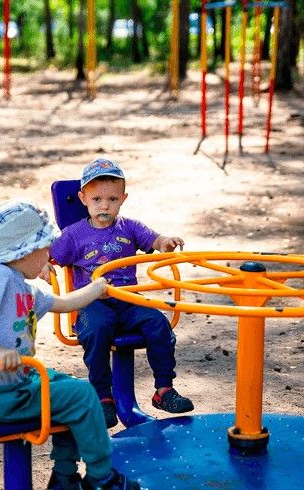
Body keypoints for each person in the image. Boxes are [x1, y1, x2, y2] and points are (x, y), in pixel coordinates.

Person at [0, 199, 140, 490]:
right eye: (44, 248)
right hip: (5, 397)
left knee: (75, 390)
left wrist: (96, 289)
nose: (49, 254)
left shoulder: (24, 288)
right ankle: (103, 478)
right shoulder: (0, 276)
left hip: (21, 385)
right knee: (80, 395)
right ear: (26, 251)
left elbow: (63, 303)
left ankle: (64, 477)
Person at [48, 158, 194, 429]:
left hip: (128, 300)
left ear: (123, 199)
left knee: (157, 322)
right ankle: (103, 396)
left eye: (112, 199)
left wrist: (165, 242)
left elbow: (155, 240)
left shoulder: (130, 227)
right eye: (97, 199)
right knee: (97, 327)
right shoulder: (73, 235)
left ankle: (164, 389)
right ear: (83, 198)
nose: (104, 206)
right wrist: (44, 266)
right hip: (93, 303)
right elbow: (51, 256)